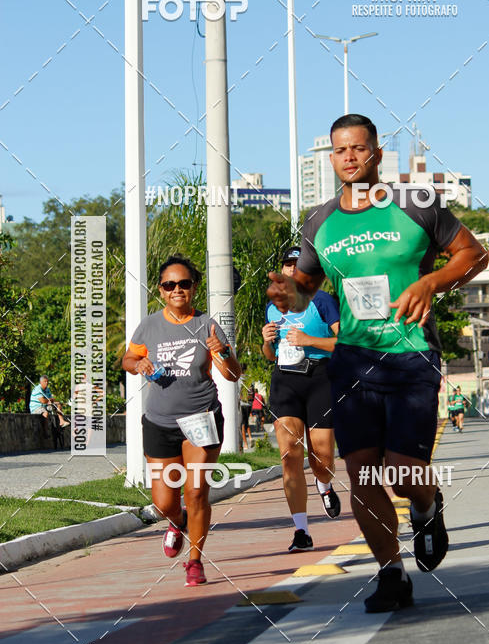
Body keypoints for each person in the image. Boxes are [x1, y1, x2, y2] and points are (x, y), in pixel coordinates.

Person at [267, 114, 488, 609]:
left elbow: (474, 255)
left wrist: (430, 283)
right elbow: (306, 286)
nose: (349, 157)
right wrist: (287, 294)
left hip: (410, 355)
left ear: (377, 154)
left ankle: (427, 506)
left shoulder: (417, 204)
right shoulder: (319, 222)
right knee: (362, 472)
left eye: (359, 148)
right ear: (331, 158)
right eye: (340, 150)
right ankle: (391, 573)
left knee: (406, 473)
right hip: (352, 361)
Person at [122, 254, 241, 587]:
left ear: (194, 287)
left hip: (201, 418)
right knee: (163, 503)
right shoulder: (149, 325)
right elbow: (128, 358)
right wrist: (138, 364)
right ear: (161, 290)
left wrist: (224, 352)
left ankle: (195, 561)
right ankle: (177, 522)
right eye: (169, 284)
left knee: (197, 491)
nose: (177, 289)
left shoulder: (207, 325)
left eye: (184, 283)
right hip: (160, 423)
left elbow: (233, 375)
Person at [262, 246, 341, 552]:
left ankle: (324, 484)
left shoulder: (322, 300)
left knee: (322, 459)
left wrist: (310, 340)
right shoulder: (273, 306)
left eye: (299, 264)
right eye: (288, 264)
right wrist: (267, 342)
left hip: (320, 378)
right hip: (285, 380)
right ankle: (301, 531)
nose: (292, 269)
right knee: (290, 455)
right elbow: (270, 355)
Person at [240, 380, 253, 450]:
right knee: (246, 422)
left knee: (242, 425)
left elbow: (240, 397)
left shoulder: (242, 386)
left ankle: (245, 444)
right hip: (249, 406)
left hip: (243, 405)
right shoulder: (250, 386)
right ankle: (250, 438)